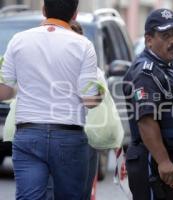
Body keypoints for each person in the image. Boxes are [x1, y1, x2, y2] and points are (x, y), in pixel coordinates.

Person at [0, 0, 101, 199]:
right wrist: (100, 94)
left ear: (44, 10)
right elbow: (89, 99)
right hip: (68, 136)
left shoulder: (18, 40)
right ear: (75, 15)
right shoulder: (84, 45)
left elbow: (3, 92)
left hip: (28, 134)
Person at [123, 8, 173, 200]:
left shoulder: (170, 69)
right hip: (154, 163)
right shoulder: (146, 72)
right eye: (166, 36)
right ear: (149, 40)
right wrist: (163, 161)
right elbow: (146, 121)